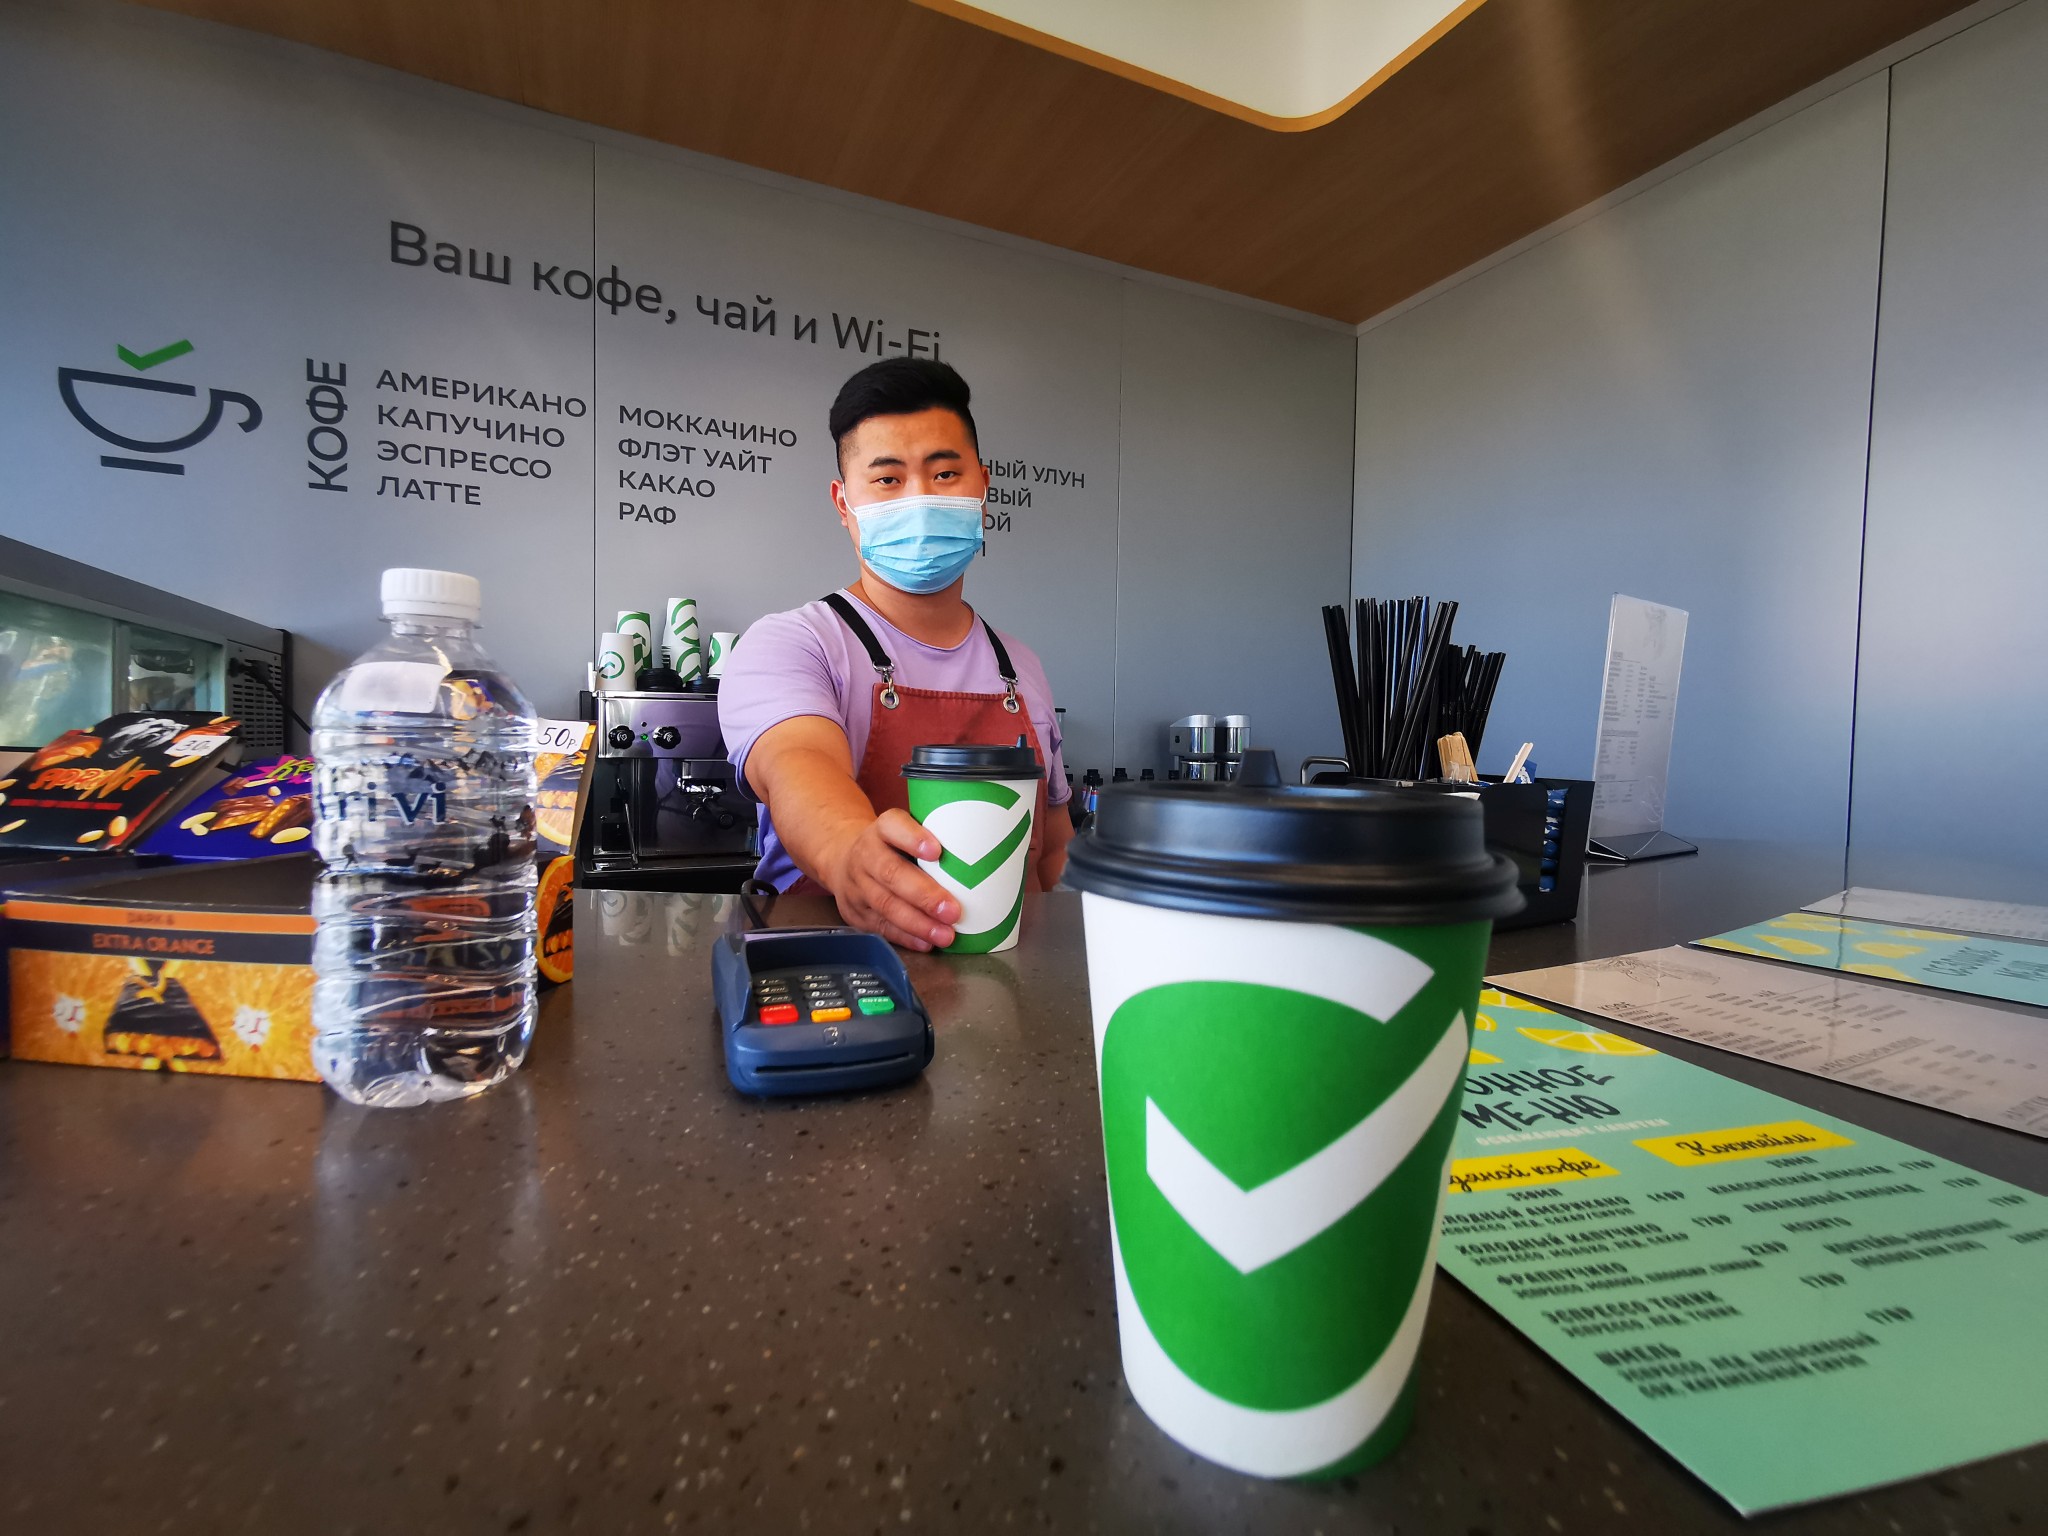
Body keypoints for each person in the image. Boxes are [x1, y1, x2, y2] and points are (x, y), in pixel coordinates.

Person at [718, 358, 1072, 951]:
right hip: (840, 976)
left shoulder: (1021, 667)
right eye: (887, 480)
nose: (920, 499)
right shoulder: (795, 644)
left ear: (982, 487)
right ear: (843, 504)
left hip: (1016, 982)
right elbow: (797, 764)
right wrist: (847, 853)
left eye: (945, 473)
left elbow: (1055, 845)